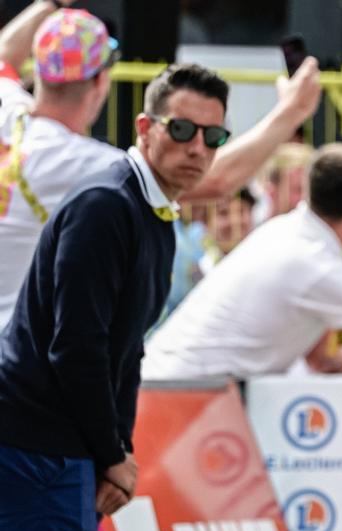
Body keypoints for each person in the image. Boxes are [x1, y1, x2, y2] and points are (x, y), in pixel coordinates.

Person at [0, 61, 230, 531]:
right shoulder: (108, 203)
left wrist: (114, 450)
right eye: (183, 129)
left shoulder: (150, 210)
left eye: (214, 137)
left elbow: (123, 351)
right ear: (145, 126)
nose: (198, 148)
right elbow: (77, 349)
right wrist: (112, 455)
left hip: (53, 445)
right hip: (33, 444)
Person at [0, 2, 323, 328]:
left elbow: (3, 55)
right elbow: (213, 180)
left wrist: (51, 4)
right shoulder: (75, 162)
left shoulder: (8, 111)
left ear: (38, 72)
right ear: (101, 82)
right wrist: (292, 111)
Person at [142, 143, 342, 392]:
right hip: (185, 394)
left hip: (178, 387)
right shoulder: (315, 263)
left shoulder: (290, 233)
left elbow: (321, 356)